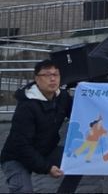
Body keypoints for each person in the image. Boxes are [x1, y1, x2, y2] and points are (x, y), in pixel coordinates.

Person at [0, 60, 80, 194]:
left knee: (81, 161)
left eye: (56, 74)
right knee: (24, 190)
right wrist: (47, 168)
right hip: (17, 157)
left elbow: (78, 114)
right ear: (37, 79)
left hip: (46, 150)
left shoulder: (62, 97)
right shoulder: (26, 106)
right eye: (47, 75)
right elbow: (21, 145)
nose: (52, 79)